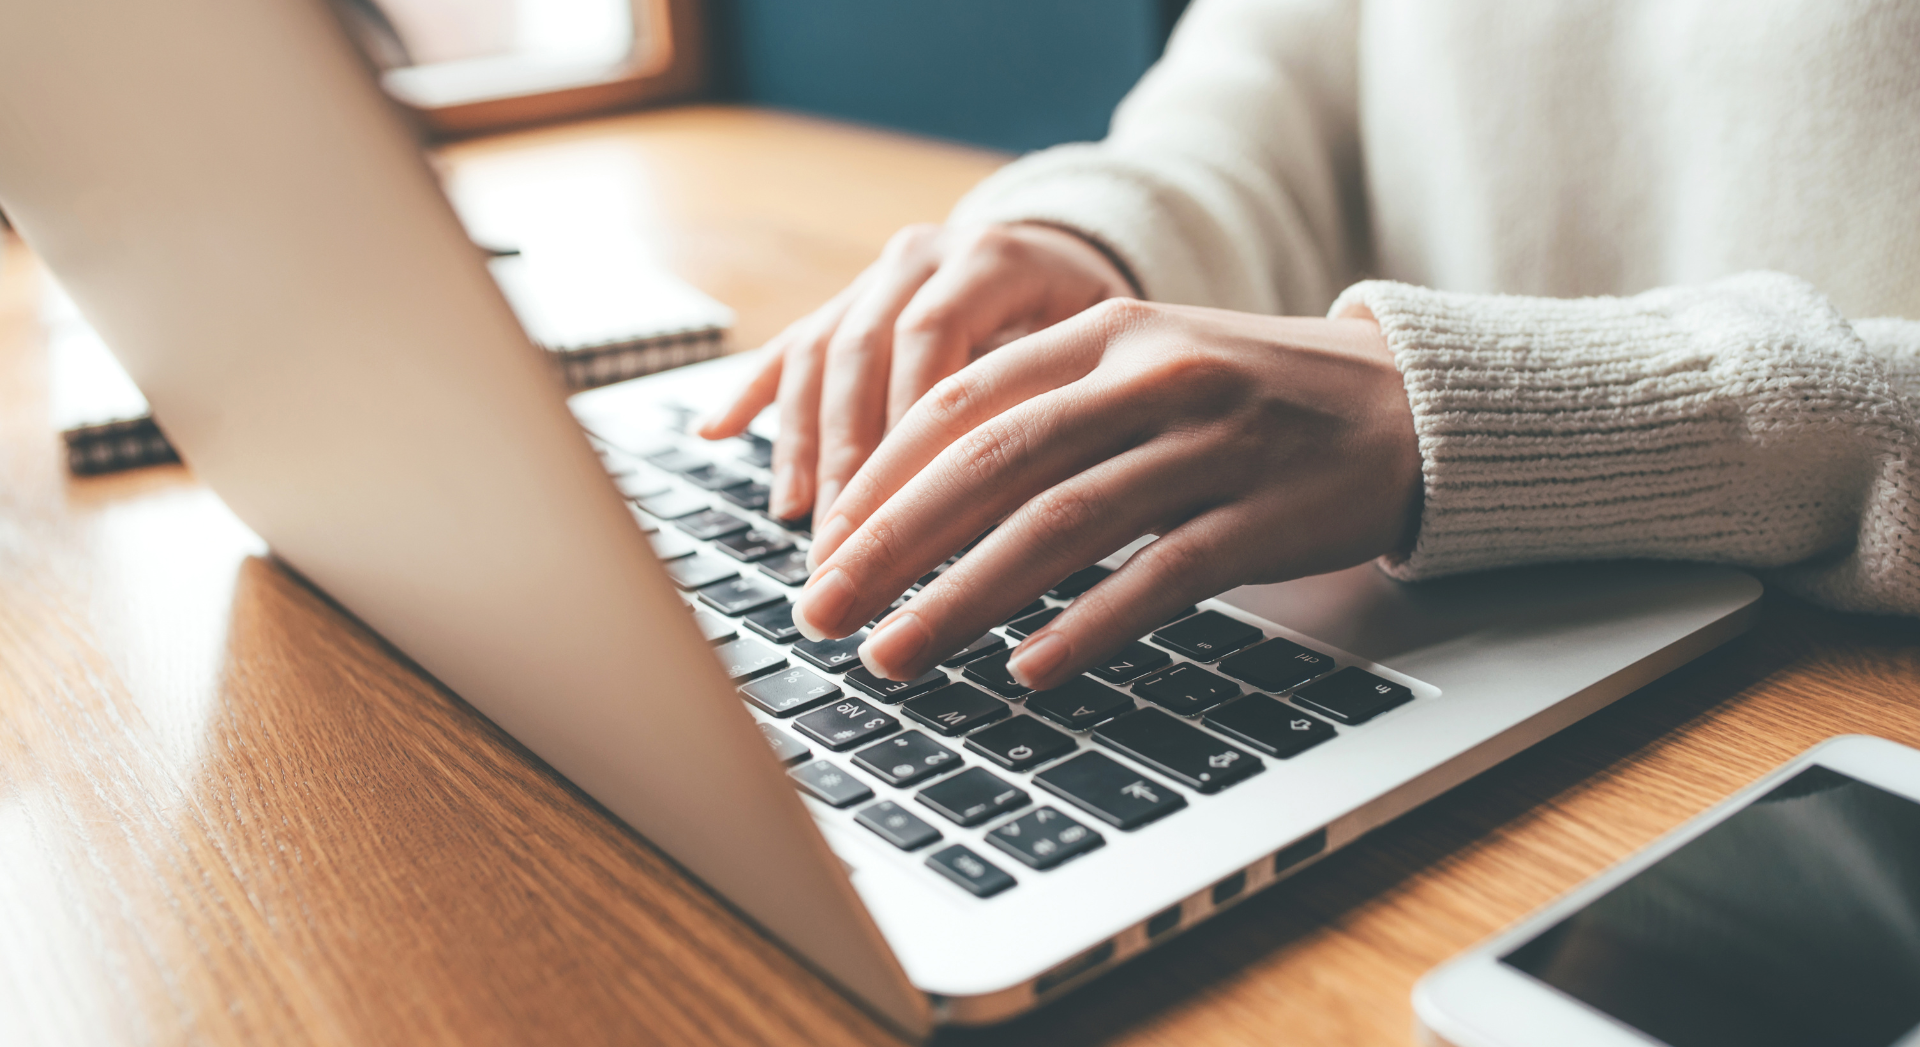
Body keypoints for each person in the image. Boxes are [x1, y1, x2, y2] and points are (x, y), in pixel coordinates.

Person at [699, 0, 1920, 692]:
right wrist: (1095, 245)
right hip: (1435, 625)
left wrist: (1475, 410)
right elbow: (1271, 98)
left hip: (1831, 700)